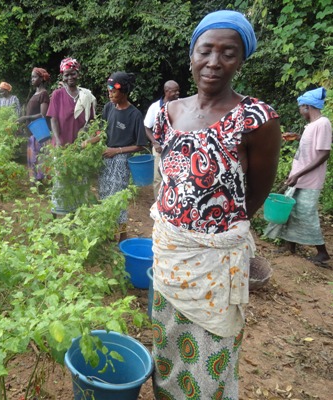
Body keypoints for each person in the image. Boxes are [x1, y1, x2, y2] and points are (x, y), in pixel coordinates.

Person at [150, 10, 281, 399]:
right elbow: (169, 177)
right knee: (166, 348)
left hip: (214, 265)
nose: (214, 62)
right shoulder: (168, 113)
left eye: (228, 52)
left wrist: (210, 234)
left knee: (210, 360)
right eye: (205, 50)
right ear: (192, 54)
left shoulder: (256, 119)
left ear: (241, 60)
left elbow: (254, 196)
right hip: (169, 255)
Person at [266, 87, 331, 266]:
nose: (300, 111)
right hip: (299, 177)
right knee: (291, 211)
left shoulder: (323, 123)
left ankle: (323, 253)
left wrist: (299, 174)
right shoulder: (312, 126)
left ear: (306, 107)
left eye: (300, 108)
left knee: (305, 213)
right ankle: (290, 247)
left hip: (310, 180)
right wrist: (299, 136)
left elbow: (324, 153)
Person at [83, 72, 148, 241]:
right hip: (106, 157)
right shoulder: (108, 108)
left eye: (113, 91)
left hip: (121, 161)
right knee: (105, 195)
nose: (110, 94)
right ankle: (110, 232)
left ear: (124, 91)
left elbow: (141, 144)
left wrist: (117, 151)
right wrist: (90, 141)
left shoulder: (135, 115)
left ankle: (123, 235)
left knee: (118, 200)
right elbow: (104, 132)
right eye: (109, 90)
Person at [46, 57, 97, 215]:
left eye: (72, 74)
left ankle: (76, 213)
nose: (69, 78)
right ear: (62, 76)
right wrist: (59, 139)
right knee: (61, 180)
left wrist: (85, 133)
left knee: (78, 178)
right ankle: (57, 213)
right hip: (61, 144)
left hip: (80, 146)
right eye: (66, 75)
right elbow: (53, 118)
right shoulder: (58, 95)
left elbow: (91, 121)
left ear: (78, 74)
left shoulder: (86, 96)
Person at [144, 80, 180, 199]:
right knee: (158, 179)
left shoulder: (182, 105)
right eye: (174, 91)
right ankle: (158, 207)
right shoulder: (155, 107)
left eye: (178, 90)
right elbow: (146, 127)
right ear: (166, 91)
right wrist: (154, 142)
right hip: (160, 148)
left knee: (176, 178)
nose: (177, 93)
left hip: (177, 149)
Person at [17, 68, 51, 183]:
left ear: (41, 79)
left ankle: (39, 182)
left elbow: (43, 115)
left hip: (39, 132)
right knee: (32, 157)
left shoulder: (44, 94)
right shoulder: (36, 94)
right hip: (32, 132)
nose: (32, 79)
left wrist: (25, 118)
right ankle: (34, 181)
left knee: (38, 157)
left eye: (34, 77)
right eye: (31, 77)